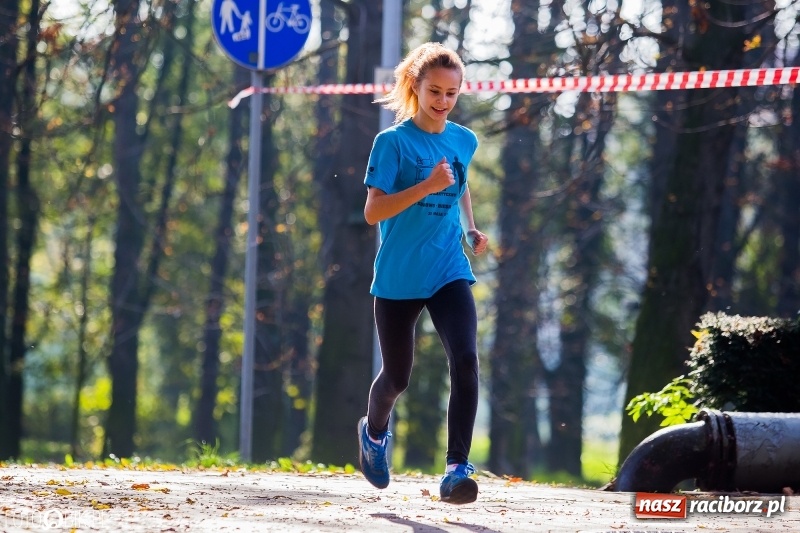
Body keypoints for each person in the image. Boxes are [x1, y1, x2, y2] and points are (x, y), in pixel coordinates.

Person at [357, 42, 488, 505]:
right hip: (398, 276)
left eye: (452, 93)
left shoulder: (464, 139)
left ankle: (456, 469)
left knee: (466, 360)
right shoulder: (391, 143)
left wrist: (470, 227)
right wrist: (427, 186)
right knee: (397, 379)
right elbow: (373, 212)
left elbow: (462, 180)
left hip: (447, 267)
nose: (443, 101)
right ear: (415, 86)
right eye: (435, 90)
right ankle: (373, 433)